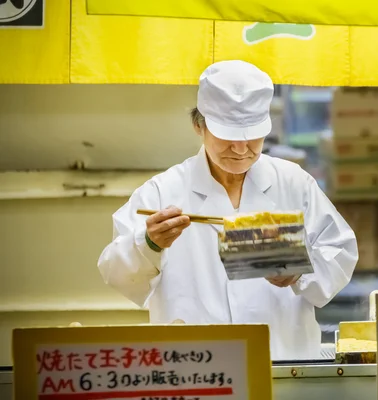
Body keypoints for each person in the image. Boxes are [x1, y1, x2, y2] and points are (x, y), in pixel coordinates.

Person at [97, 60, 358, 360]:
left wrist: (303, 270)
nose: (240, 148)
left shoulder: (293, 183)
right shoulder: (162, 191)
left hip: (283, 364)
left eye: (251, 137)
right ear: (199, 126)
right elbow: (114, 271)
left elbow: (341, 253)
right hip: (196, 370)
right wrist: (148, 244)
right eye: (228, 136)